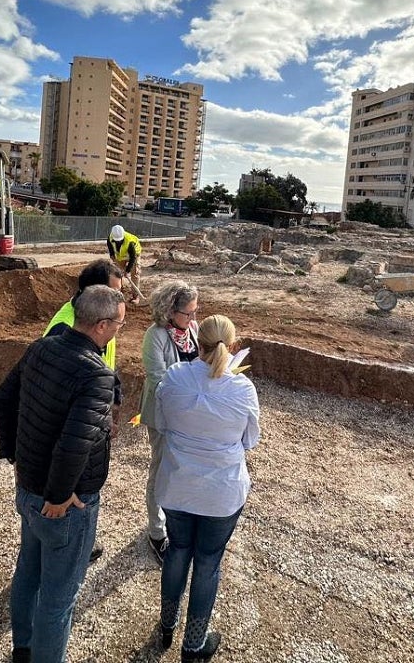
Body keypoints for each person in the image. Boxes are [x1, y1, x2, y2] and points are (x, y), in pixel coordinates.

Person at [0, 285, 125, 663]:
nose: (119, 330)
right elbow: (74, 445)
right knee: (58, 598)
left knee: (28, 573)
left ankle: (24, 649)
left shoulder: (40, 347)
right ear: (100, 326)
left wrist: (15, 458)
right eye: (119, 323)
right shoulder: (96, 376)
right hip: (64, 503)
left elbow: (3, 399)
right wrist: (57, 496)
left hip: (28, 487)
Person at [153, 315, 260, 662]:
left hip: (178, 486)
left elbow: (163, 424)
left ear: (198, 343)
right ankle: (194, 645)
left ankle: (166, 627)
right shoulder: (243, 389)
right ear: (231, 347)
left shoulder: (173, 377)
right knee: (208, 563)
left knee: (178, 550)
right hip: (221, 492)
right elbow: (250, 441)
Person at [44, 258, 125, 565]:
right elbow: (56, 405)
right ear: (93, 294)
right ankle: (67, 544)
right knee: (73, 488)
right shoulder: (64, 328)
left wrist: (112, 404)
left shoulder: (101, 322)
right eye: (114, 292)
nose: (120, 301)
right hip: (76, 428)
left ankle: (78, 538)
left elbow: (106, 366)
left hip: (94, 414)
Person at [140, 280, 200, 565]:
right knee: (161, 468)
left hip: (188, 414)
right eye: (188, 313)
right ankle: (155, 530)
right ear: (170, 310)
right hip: (164, 415)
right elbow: (158, 379)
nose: (193, 319)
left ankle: (174, 518)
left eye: (195, 312)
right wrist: (192, 391)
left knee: (181, 469)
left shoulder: (193, 330)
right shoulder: (155, 336)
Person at [107, 224, 142, 302]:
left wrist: (127, 271)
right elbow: (111, 252)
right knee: (117, 273)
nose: (118, 241)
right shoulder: (110, 238)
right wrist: (114, 261)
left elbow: (133, 258)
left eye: (119, 240)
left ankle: (135, 297)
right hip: (120, 256)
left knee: (135, 274)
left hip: (134, 255)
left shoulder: (129, 241)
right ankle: (119, 292)